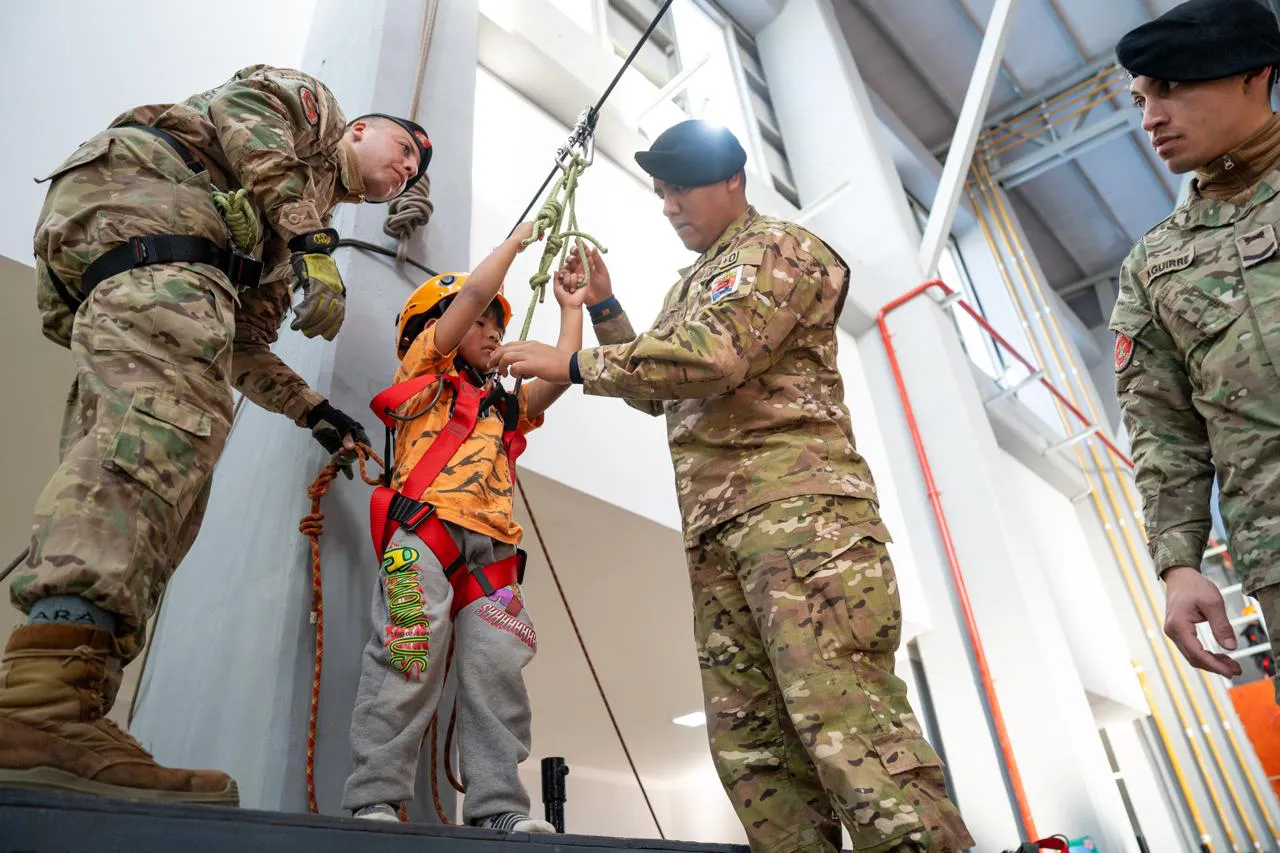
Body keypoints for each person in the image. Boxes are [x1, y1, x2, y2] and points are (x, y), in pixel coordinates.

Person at [495, 120, 972, 853]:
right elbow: (658, 388)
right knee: (753, 749)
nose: (668, 205)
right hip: (721, 531)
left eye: (680, 187)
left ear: (731, 180)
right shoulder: (696, 279)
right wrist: (603, 307)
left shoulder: (775, 248)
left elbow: (712, 358)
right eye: (659, 192)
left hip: (802, 518)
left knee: (843, 719)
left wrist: (573, 363)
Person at [0, 64, 432, 805]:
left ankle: (73, 702)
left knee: (178, 461)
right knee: (158, 434)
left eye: (414, 173)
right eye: (403, 149)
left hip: (160, 259)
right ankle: (40, 704)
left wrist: (315, 413)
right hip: (145, 214)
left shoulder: (271, 232)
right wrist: (312, 242)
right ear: (358, 129)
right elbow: (245, 119)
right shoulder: (309, 113)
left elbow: (240, 346)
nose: (405, 170)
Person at [342, 222, 584, 832]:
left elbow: (558, 377)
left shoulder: (504, 406)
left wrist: (571, 312)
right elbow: (474, 295)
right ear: (432, 331)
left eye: (498, 328)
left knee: (496, 672)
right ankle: (374, 798)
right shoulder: (423, 370)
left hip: (493, 556)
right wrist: (517, 244)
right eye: (479, 324)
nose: (492, 331)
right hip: (420, 538)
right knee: (407, 651)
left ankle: (497, 809)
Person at [1111, 0, 1280, 691]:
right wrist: (1180, 565)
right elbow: (1163, 431)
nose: (1151, 116)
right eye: (1142, 98)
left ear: (1252, 74)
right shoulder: (1155, 265)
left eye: (1171, 87)